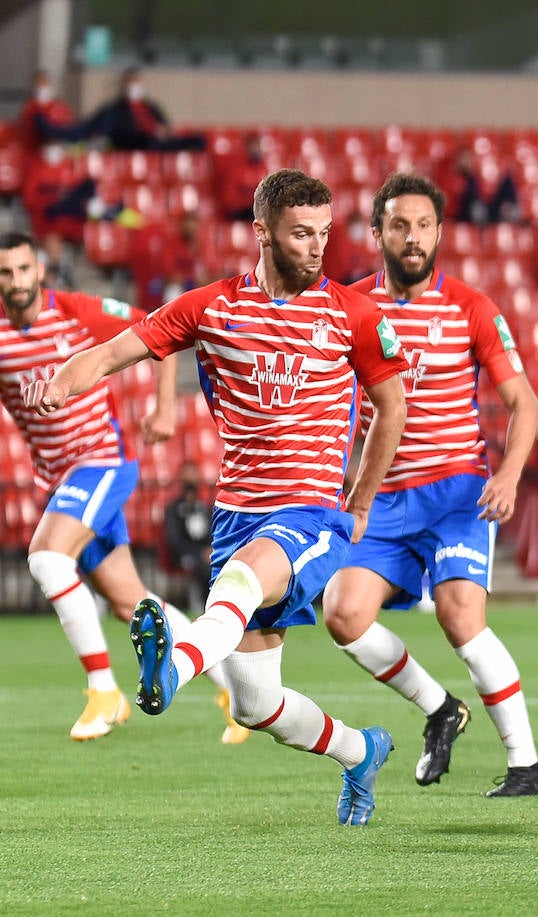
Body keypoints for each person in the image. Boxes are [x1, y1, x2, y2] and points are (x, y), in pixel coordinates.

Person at [24, 169, 409, 825]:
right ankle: (360, 750)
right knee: (261, 705)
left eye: (323, 233)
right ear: (261, 231)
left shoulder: (353, 313)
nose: (317, 248)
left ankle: (172, 669)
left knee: (236, 582)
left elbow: (391, 405)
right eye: (300, 234)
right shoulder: (211, 307)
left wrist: (363, 498)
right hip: (238, 512)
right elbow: (120, 349)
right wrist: (67, 373)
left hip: (310, 511)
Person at [322, 172, 538, 797]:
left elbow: (523, 404)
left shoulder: (473, 308)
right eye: (399, 225)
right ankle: (439, 709)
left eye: (423, 225)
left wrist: (508, 473)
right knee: (342, 616)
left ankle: (527, 765)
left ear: (440, 233)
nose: (413, 237)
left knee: (458, 617)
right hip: (382, 497)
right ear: (377, 233)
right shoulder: (347, 307)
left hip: (455, 493)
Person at [0, 231, 246, 745]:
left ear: (40, 271)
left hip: (102, 461)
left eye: (24, 269)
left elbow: (155, 329)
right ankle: (230, 691)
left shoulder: (75, 310)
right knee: (131, 602)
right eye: (6, 273)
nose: (17, 281)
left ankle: (103, 692)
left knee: (46, 558)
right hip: (60, 479)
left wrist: (164, 407)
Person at [82, 68, 206, 152]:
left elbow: (165, 127)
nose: (134, 86)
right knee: (149, 142)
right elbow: (108, 134)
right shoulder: (115, 111)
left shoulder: (150, 107)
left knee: (198, 140)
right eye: (131, 82)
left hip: (158, 143)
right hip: (136, 144)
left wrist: (162, 131)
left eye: (136, 82)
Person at [163, 460, 214, 608]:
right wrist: (197, 553)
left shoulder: (205, 507)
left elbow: (213, 532)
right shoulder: (173, 509)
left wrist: (210, 549)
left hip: (206, 553)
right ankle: (200, 603)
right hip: (184, 554)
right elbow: (174, 540)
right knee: (203, 566)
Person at [444, 149, 520, 225]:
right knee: (476, 208)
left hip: (488, 211)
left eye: (468, 159)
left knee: (507, 181)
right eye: (463, 159)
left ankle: (508, 210)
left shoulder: (473, 177)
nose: (466, 162)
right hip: (464, 216)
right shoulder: (452, 178)